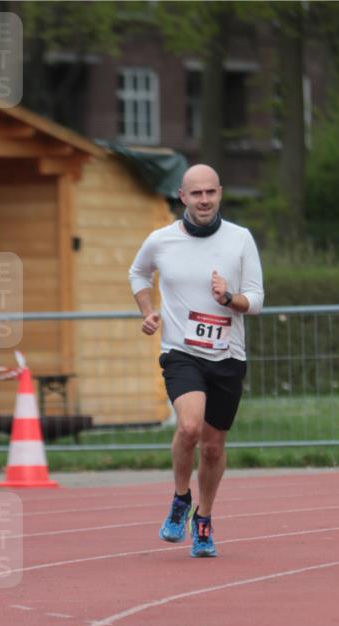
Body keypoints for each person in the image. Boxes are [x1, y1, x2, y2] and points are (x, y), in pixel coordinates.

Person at [129, 163, 264, 557]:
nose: (204, 200)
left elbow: (256, 301)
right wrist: (147, 310)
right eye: (196, 194)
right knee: (189, 427)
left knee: (214, 446)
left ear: (220, 193)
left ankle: (203, 520)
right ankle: (180, 498)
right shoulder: (161, 240)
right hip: (181, 351)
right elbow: (138, 274)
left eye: (211, 193)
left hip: (227, 354)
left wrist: (228, 299)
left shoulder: (240, 239)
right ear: (182, 197)